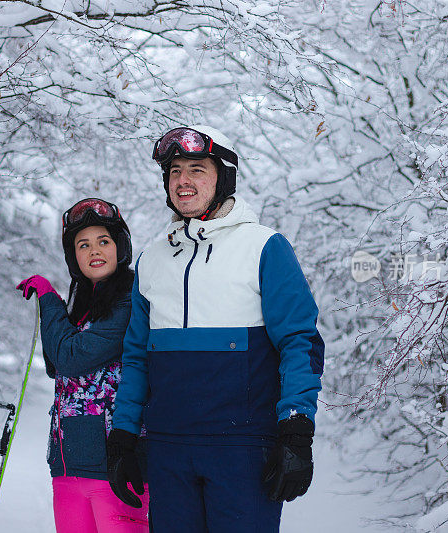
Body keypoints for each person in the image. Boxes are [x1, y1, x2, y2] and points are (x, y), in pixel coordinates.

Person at [105, 126, 325, 532]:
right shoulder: (152, 260)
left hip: (241, 449)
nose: (183, 181)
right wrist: (123, 435)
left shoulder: (264, 247)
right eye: (174, 171)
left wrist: (296, 431)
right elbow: (136, 356)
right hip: (168, 449)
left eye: (196, 169)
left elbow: (300, 342)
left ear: (222, 177)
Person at [16, 198, 150, 533]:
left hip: (115, 466)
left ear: (120, 246)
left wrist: (48, 299)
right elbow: (55, 364)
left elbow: (71, 358)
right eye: (83, 244)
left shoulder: (131, 299)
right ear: (73, 256)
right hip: (68, 464)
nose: (94, 251)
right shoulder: (86, 304)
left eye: (103, 241)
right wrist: (59, 308)